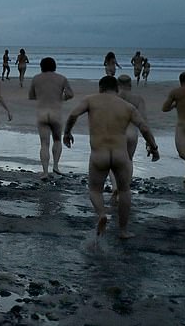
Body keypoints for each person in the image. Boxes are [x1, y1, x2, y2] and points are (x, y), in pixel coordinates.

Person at [64, 76, 159, 239]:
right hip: (120, 155)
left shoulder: (90, 100)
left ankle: (102, 214)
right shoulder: (127, 107)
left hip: (99, 154)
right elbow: (144, 127)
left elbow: (73, 114)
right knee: (124, 190)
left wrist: (67, 132)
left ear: (100, 88)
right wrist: (154, 148)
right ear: (116, 89)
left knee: (95, 190)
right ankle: (123, 231)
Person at [28, 57, 74, 179]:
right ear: (54, 66)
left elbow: (31, 96)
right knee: (57, 140)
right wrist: (61, 98)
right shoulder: (61, 78)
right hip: (56, 113)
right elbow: (70, 94)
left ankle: (44, 171)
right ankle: (56, 166)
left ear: (41, 66)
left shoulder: (36, 78)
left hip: (42, 113)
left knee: (44, 144)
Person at [109, 75, 150, 203]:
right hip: (132, 133)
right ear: (130, 84)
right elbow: (143, 120)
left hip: (117, 132)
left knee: (112, 162)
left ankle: (115, 187)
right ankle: (124, 188)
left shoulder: (113, 98)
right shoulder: (138, 99)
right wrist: (148, 140)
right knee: (129, 160)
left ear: (117, 84)